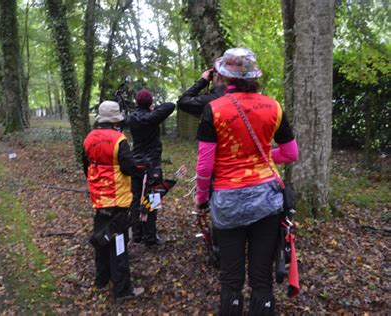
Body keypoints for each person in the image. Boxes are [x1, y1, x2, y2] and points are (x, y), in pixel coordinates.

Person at [194, 48, 299, 315]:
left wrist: (201, 198)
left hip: (228, 202)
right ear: (253, 75)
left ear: (223, 76)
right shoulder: (273, 107)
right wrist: (261, 154)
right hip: (267, 202)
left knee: (231, 280)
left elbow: (205, 164)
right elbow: (290, 153)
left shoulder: (213, 109)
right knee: (262, 279)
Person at [82, 101, 145, 302]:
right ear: (115, 119)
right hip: (117, 200)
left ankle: (102, 279)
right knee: (119, 243)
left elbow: (86, 166)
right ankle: (122, 289)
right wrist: (141, 168)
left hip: (99, 199)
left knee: (101, 238)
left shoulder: (89, 138)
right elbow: (128, 167)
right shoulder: (119, 139)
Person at [126, 89, 175, 246]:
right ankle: (150, 237)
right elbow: (170, 105)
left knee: (136, 200)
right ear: (150, 102)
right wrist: (153, 109)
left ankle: (137, 235)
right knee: (152, 199)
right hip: (151, 166)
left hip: (136, 164)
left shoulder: (132, 117)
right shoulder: (152, 117)